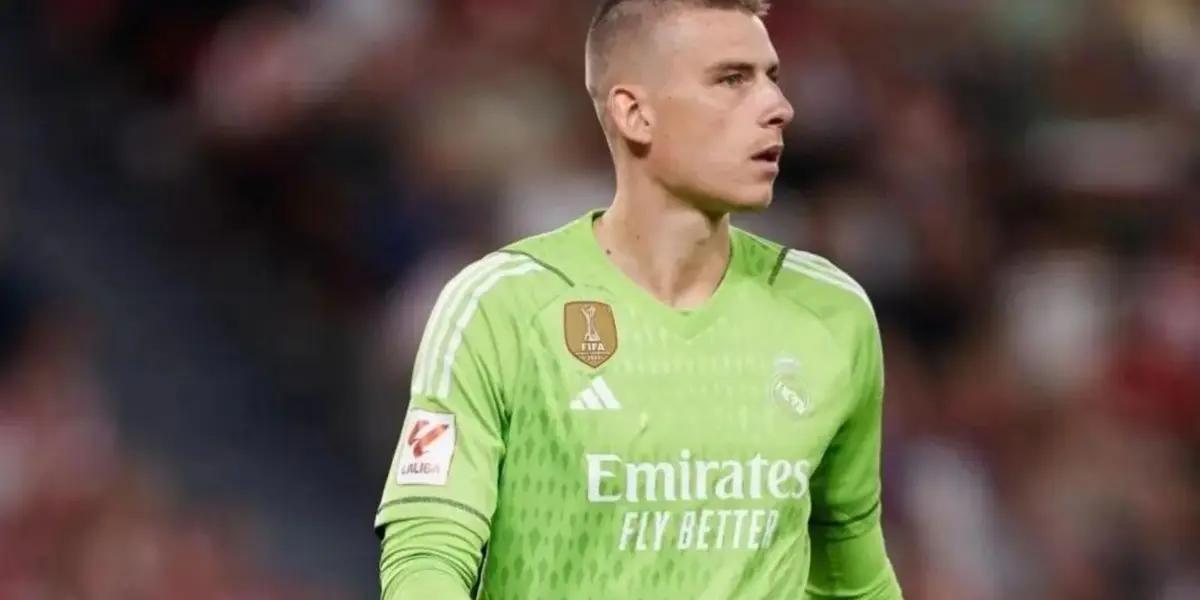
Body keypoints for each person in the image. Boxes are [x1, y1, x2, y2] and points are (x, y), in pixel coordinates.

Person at [376, 1, 903, 597]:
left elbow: (852, 578)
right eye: (732, 80)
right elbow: (429, 549)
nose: (778, 107)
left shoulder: (830, 314)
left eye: (772, 78)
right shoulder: (503, 308)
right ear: (635, 114)